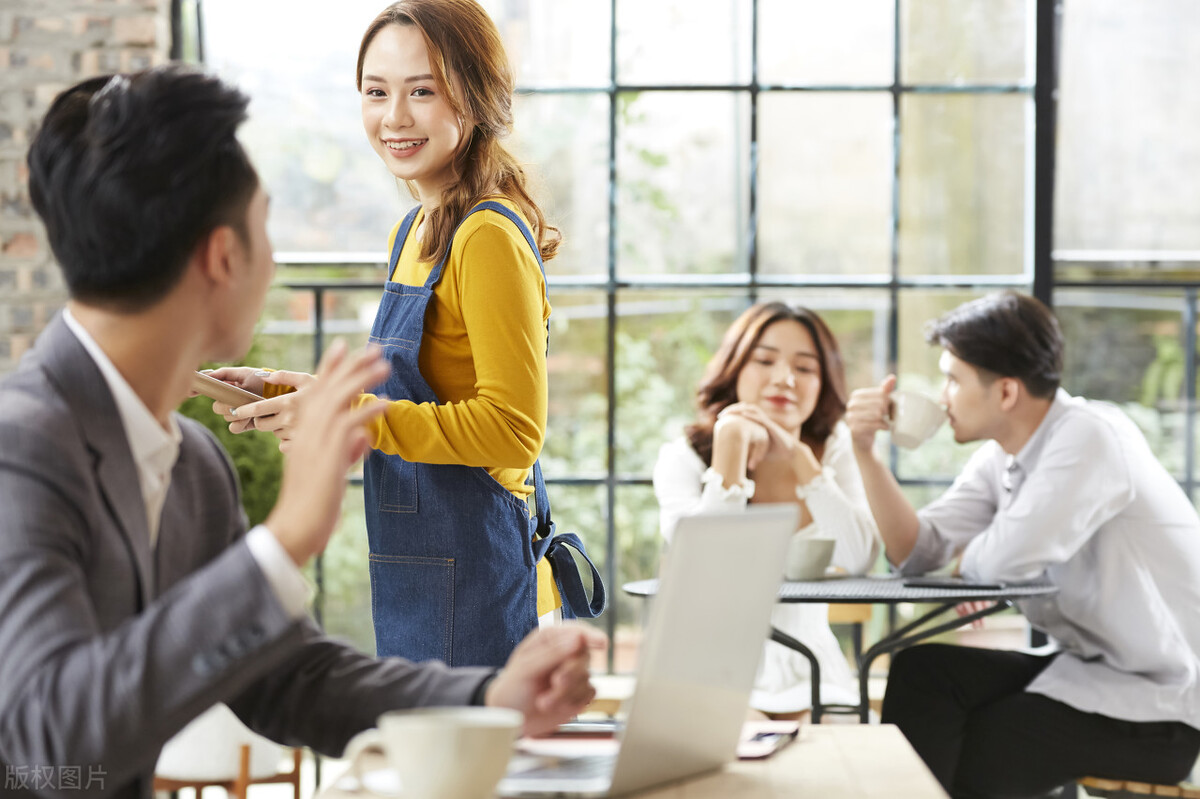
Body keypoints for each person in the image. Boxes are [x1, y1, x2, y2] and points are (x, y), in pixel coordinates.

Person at [0, 66, 604, 799]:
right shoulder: (21, 446)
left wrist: (488, 699)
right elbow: (46, 744)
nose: (275, 259)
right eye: (264, 227)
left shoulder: (192, 464)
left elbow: (287, 677)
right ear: (222, 256)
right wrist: (282, 541)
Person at [207, 0, 603, 669]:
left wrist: (348, 416)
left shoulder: (486, 236)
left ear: (475, 97)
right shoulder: (414, 233)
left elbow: (511, 430)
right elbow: (416, 396)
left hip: (482, 583)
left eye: (423, 90)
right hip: (417, 577)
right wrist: (290, 391)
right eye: (376, 92)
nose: (394, 117)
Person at [845, 291, 1200, 798]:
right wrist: (865, 455)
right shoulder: (1003, 458)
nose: (943, 396)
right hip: (1084, 673)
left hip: (1157, 709)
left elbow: (1006, 559)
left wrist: (975, 565)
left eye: (953, 379)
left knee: (992, 738)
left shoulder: (1090, 437)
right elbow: (917, 552)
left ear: (1006, 392)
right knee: (924, 673)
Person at [653, 302, 880, 718]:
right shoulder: (682, 457)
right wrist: (731, 446)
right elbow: (704, 563)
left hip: (813, 672)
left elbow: (860, 557)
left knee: (844, 747)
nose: (784, 379)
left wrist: (801, 461)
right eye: (764, 361)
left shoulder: (836, 450)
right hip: (710, 673)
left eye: (805, 367)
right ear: (736, 367)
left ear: (823, 382)